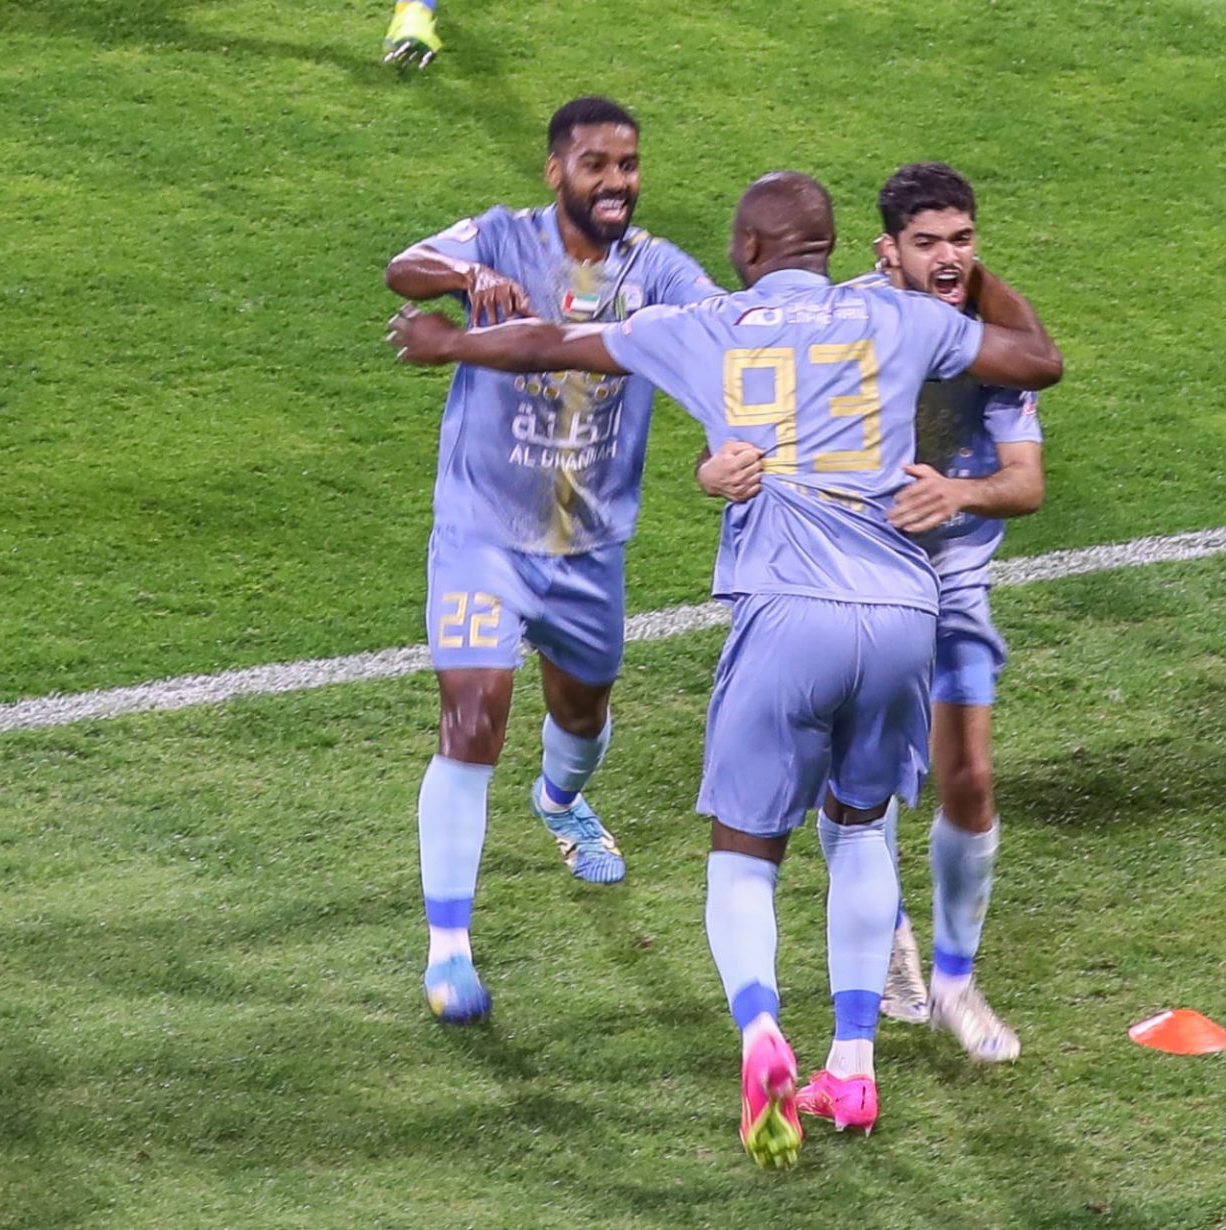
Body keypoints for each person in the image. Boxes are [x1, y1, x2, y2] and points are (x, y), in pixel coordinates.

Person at [387, 169, 1062, 1167]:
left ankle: (761, 1032)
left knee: (745, 853)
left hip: (788, 611)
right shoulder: (900, 317)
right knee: (860, 830)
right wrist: (971, 267)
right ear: (836, 246)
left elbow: (552, 343)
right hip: (904, 613)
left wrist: (447, 343)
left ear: (747, 251)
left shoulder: (705, 324)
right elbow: (1038, 359)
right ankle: (854, 1066)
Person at [382, 96, 719, 1026]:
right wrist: (469, 273)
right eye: (596, 164)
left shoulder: (657, 269)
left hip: (588, 549)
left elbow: (725, 330)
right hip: (482, 536)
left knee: (582, 709)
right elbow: (403, 268)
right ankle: (448, 951)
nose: (616, 182)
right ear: (556, 171)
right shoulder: (502, 235)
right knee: (473, 716)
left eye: (628, 165)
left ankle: (560, 799)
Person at [703, 162, 1045, 1069]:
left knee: (968, 776)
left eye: (963, 240)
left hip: (951, 585)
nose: (948, 258)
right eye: (927, 243)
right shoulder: (841, 318)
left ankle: (956, 983)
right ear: (886, 250)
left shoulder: (987, 339)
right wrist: (717, 471)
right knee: (857, 790)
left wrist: (960, 492)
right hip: (850, 574)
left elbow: (1027, 481)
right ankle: (886, 936)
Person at [383, 0, 440, 69]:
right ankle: (421, 51)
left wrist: (389, 42)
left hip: (406, 5)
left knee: (403, 19)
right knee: (422, 18)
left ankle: (403, 49)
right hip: (427, 6)